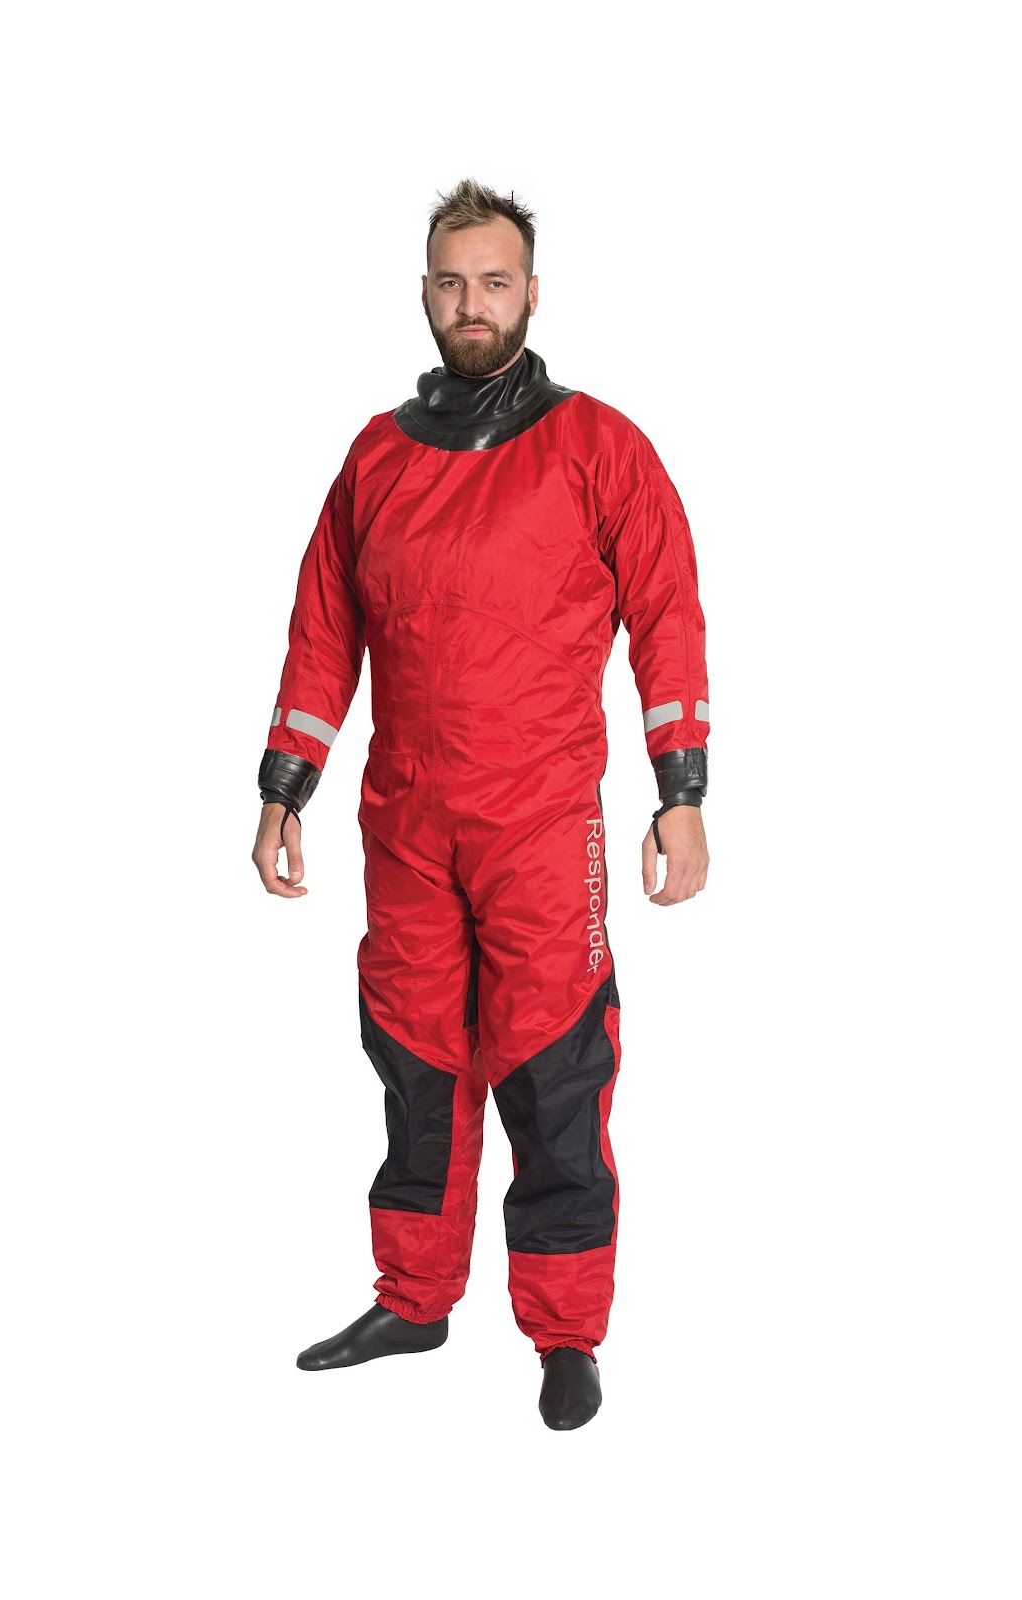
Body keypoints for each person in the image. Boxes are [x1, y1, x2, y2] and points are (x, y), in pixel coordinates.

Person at [251, 178, 710, 1430]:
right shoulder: (375, 456)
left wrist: (679, 789)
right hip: (404, 822)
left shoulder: (596, 446)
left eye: (493, 282)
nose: (471, 303)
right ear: (423, 293)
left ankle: (564, 1331)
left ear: (530, 294)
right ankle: (413, 1299)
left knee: (553, 1071)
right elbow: (323, 629)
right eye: (451, 282)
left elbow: (666, 612)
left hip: (539, 822)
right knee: (413, 1064)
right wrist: (285, 783)